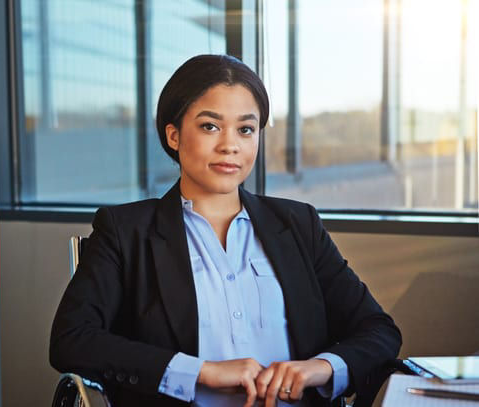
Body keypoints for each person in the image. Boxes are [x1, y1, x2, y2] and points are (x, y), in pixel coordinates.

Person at [50, 54, 401, 407]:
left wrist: (321, 368)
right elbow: (72, 340)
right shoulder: (125, 232)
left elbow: (378, 329)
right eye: (210, 126)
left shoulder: (298, 225)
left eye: (245, 129)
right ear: (173, 135)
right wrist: (200, 372)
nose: (230, 145)